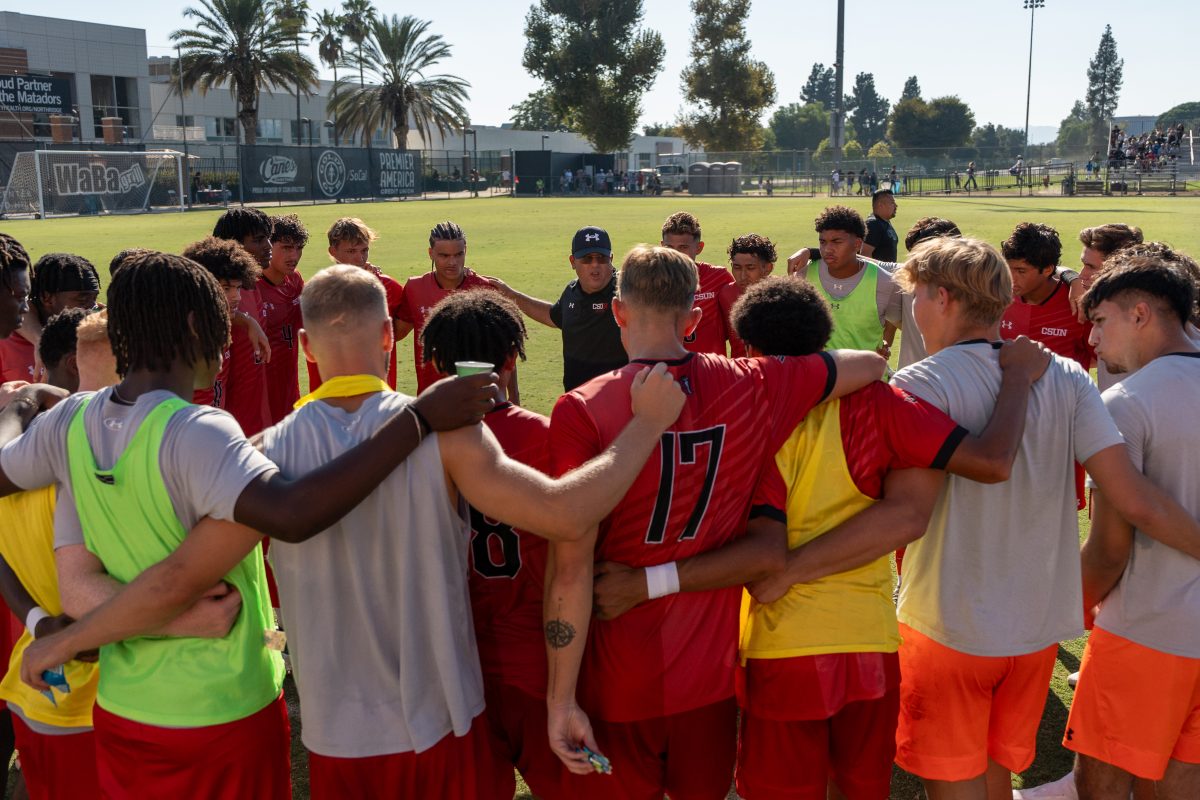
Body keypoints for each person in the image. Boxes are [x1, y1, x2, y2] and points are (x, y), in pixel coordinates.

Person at [3, 250, 496, 799]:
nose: (229, 338)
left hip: (124, 707)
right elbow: (292, 513)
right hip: (225, 706)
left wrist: (17, 408)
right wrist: (419, 418)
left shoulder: (69, 422)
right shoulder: (201, 430)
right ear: (196, 326)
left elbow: (68, 568)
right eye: (222, 321)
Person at [259, 265, 684, 798]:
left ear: (305, 346)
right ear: (391, 335)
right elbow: (568, 515)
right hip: (449, 710)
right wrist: (646, 424)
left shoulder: (259, 453)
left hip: (336, 731)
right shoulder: (452, 434)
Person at [543, 245, 886, 799]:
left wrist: (560, 700)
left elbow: (569, 573)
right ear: (696, 319)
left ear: (618, 312)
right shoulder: (755, 383)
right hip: (708, 678)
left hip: (617, 676)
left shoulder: (581, 407)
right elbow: (867, 364)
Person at [888, 237, 1200, 800]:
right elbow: (1135, 498)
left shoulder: (918, 383)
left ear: (942, 297)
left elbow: (904, 513)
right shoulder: (1068, 376)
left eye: (916, 296)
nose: (914, 310)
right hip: (1033, 631)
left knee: (954, 781)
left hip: (948, 622)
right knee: (996, 775)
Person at [724, 276, 1049, 800]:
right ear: (823, 342)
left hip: (777, 641)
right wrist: (1015, 380)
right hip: (870, 641)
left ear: (748, 348)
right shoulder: (879, 401)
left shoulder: (735, 404)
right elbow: (989, 461)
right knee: (861, 787)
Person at [421, 290, 563, 797]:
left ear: (438, 361)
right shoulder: (550, 437)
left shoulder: (413, 445)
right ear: (510, 358)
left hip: (454, 661)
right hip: (537, 654)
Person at [1068, 253, 1200, 800]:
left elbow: (1107, 549)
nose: (1092, 340)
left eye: (1100, 322)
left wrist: (1059, 608)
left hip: (1148, 626)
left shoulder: (1122, 403)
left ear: (1141, 314)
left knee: (1099, 775)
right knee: (1184, 778)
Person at [0, 308, 118, 800]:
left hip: (34, 685)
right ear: (78, 363)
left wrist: (35, 624)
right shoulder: (91, 460)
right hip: (93, 698)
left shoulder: (12, 452)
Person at [488, 227, 627, 391]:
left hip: (616, 400)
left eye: (602, 258)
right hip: (575, 400)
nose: (595, 265)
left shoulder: (627, 292)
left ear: (611, 259)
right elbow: (552, 316)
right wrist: (510, 295)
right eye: (587, 259)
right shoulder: (571, 292)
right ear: (573, 262)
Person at [315, 217, 404, 390]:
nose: (360, 258)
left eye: (364, 250)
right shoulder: (318, 292)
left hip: (379, 392)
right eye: (351, 251)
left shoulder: (388, 286)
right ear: (333, 251)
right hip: (335, 395)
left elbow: (403, 326)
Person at [803, 205, 901, 356]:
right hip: (819, 378)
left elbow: (900, 324)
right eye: (823, 242)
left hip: (867, 379)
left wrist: (884, 345)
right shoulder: (804, 275)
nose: (828, 249)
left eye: (836, 242)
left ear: (857, 244)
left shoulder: (884, 282)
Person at [211, 208, 273, 436]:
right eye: (258, 240)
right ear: (233, 245)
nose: (268, 246)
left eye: (268, 238)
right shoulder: (222, 296)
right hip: (233, 430)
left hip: (258, 421)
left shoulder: (250, 286)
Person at [181, 237, 259, 414]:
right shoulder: (185, 337)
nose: (237, 297)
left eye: (238, 288)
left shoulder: (218, 326)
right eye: (225, 288)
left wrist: (248, 320)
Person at [1001, 223, 1093, 370]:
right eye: (1007, 268)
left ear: (1048, 269)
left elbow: (1099, 358)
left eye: (1021, 271)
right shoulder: (998, 299)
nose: (1011, 277)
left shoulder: (1077, 303)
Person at [0, 253, 99, 383]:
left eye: (94, 298)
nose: (92, 307)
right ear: (47, 298)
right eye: (81, 300)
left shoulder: (97, 330)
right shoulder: (5, 342)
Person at [659, 211, 736, 355]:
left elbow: (733, 328)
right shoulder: (651, 281)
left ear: (699, 247)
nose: (676, 255)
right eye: (669, 248)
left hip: (710, 371)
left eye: (683, 247)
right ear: (662, 246)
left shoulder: (719, 278)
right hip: (668, 371)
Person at [258, 214, 307, 424]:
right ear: (269, 246)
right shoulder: (251, 288)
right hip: (259, 391)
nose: (294, 255)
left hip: (288, 386)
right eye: (286, 247)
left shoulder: (295, 281)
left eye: (298, 248)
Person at [717, 233, 776, 358]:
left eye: (750, 268)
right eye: (737, 268)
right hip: (739, 373)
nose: (743, 276)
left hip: (773, 372)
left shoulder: (783, 295)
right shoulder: (725, 294)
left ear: (768, 268)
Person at [862, 189, 900, 262]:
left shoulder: (884, 222)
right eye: (892, 203)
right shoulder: (873, 224)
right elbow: (864, 255)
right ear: (881, 205)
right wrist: (878, 273)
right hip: (878, 273)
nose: (896, 206)